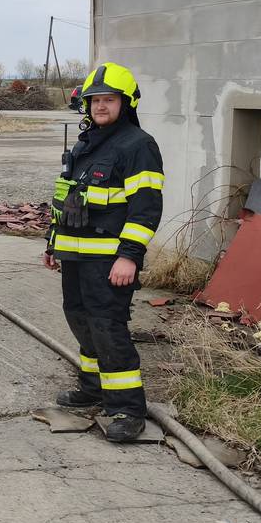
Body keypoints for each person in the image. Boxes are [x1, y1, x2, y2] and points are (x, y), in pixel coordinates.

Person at [43, 62, 164, 442]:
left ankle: (127, 408)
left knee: (108, 328)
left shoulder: (138, 146)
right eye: (95, 100)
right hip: (75, 256)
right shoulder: (86, 143)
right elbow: (66, 199)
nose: (100, 106)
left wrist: (129, 255)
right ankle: (93, 388)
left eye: (108, 100)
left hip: (110, 259)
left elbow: (146, 208)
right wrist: (53, 242)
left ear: (125, 103)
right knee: (79, 318)